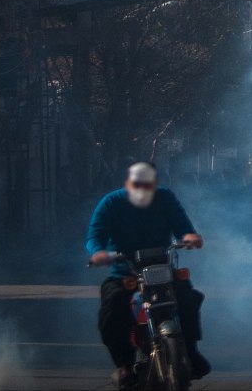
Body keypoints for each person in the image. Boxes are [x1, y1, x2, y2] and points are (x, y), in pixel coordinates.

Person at [87, 161, 210, 389]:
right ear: (127, 183)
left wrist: (190, 236)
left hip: (162, 268)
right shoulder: (111, 202)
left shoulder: (165, 198)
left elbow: (182, 225)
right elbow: (95, 235)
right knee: (113, 307)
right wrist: (98, 253)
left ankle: (191, 352)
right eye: (137, 184)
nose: (142, 189)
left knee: (188, 298)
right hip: (126, 272)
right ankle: (124, 365)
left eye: (147, 184)